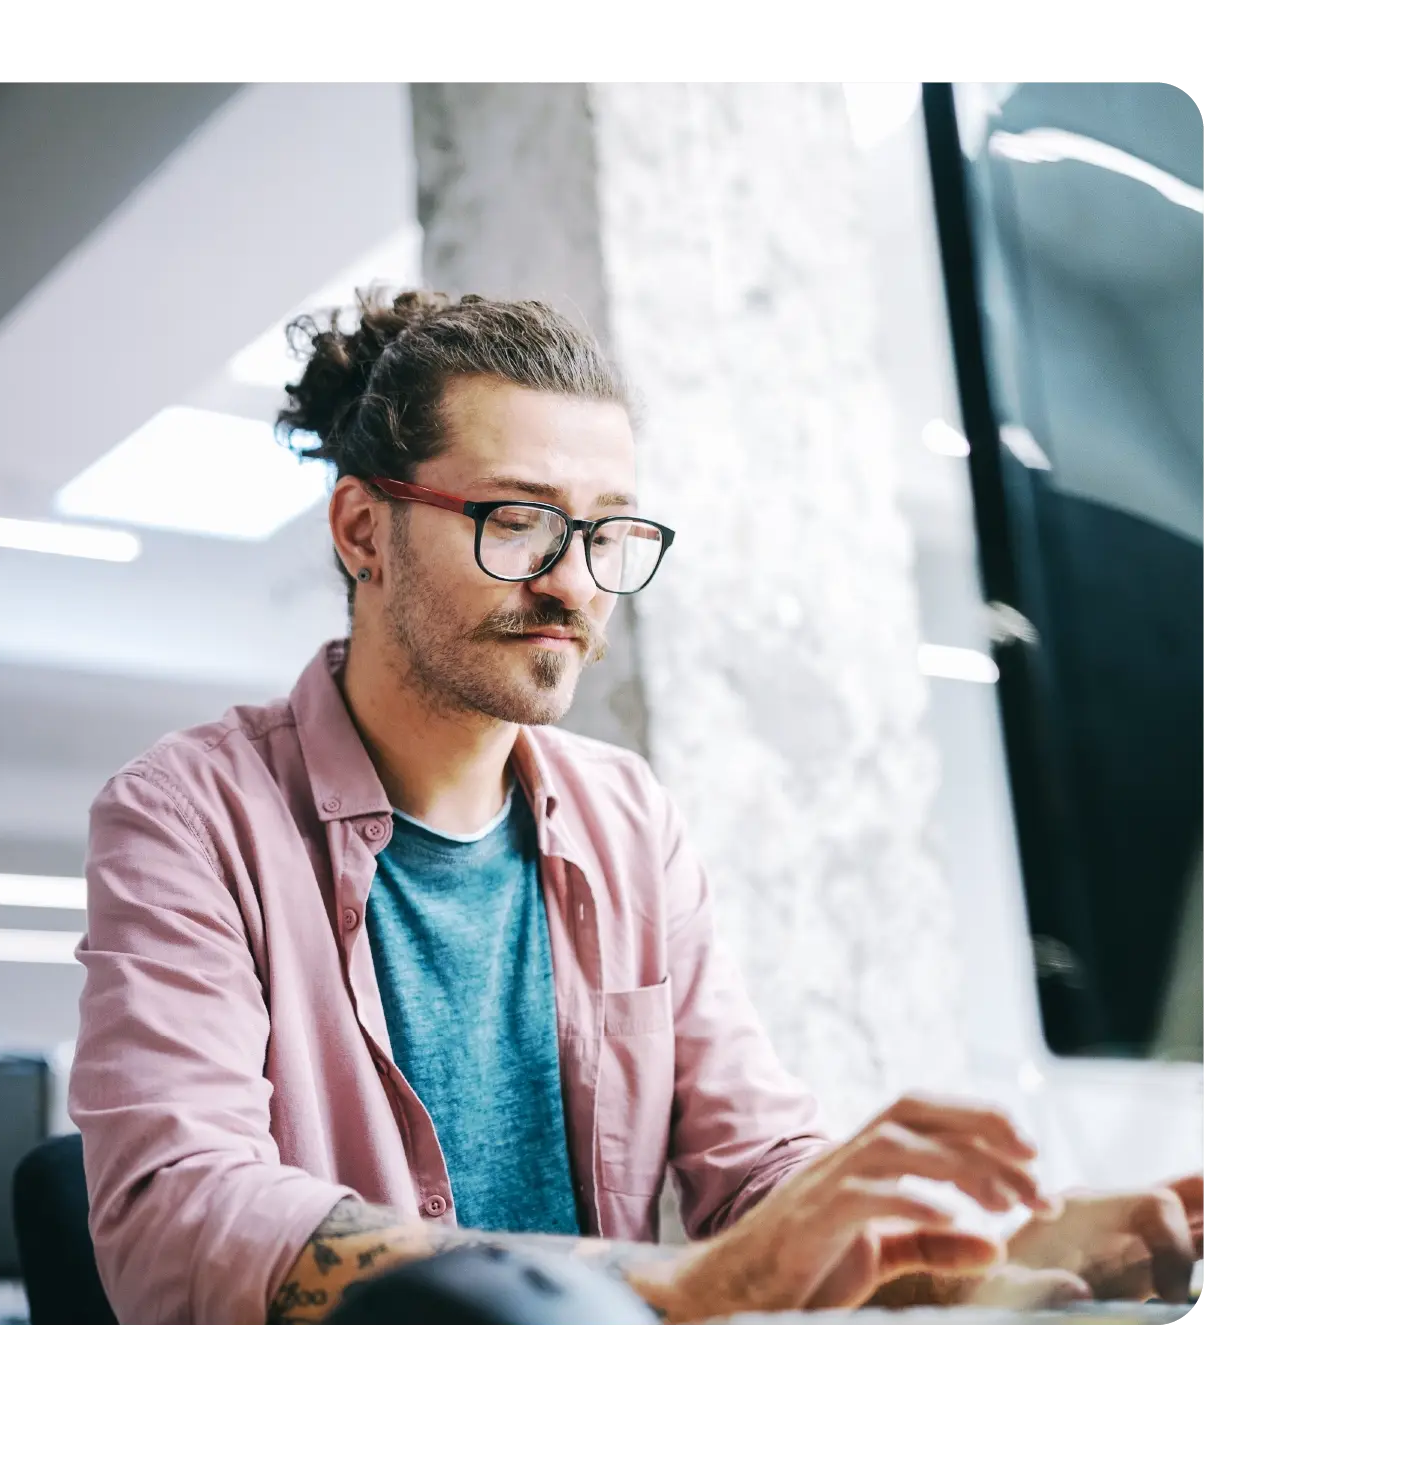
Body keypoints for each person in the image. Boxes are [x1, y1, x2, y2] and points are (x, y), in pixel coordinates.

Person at [68, 289, 1206, 1327]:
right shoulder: (189, 816)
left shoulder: (624, 818)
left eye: (605, 531)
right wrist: (674, 1287)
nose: (570, 580)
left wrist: (987, 1255)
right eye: (513, 520)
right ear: (362, 530)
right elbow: (182, 1215)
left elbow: (755, 1169)